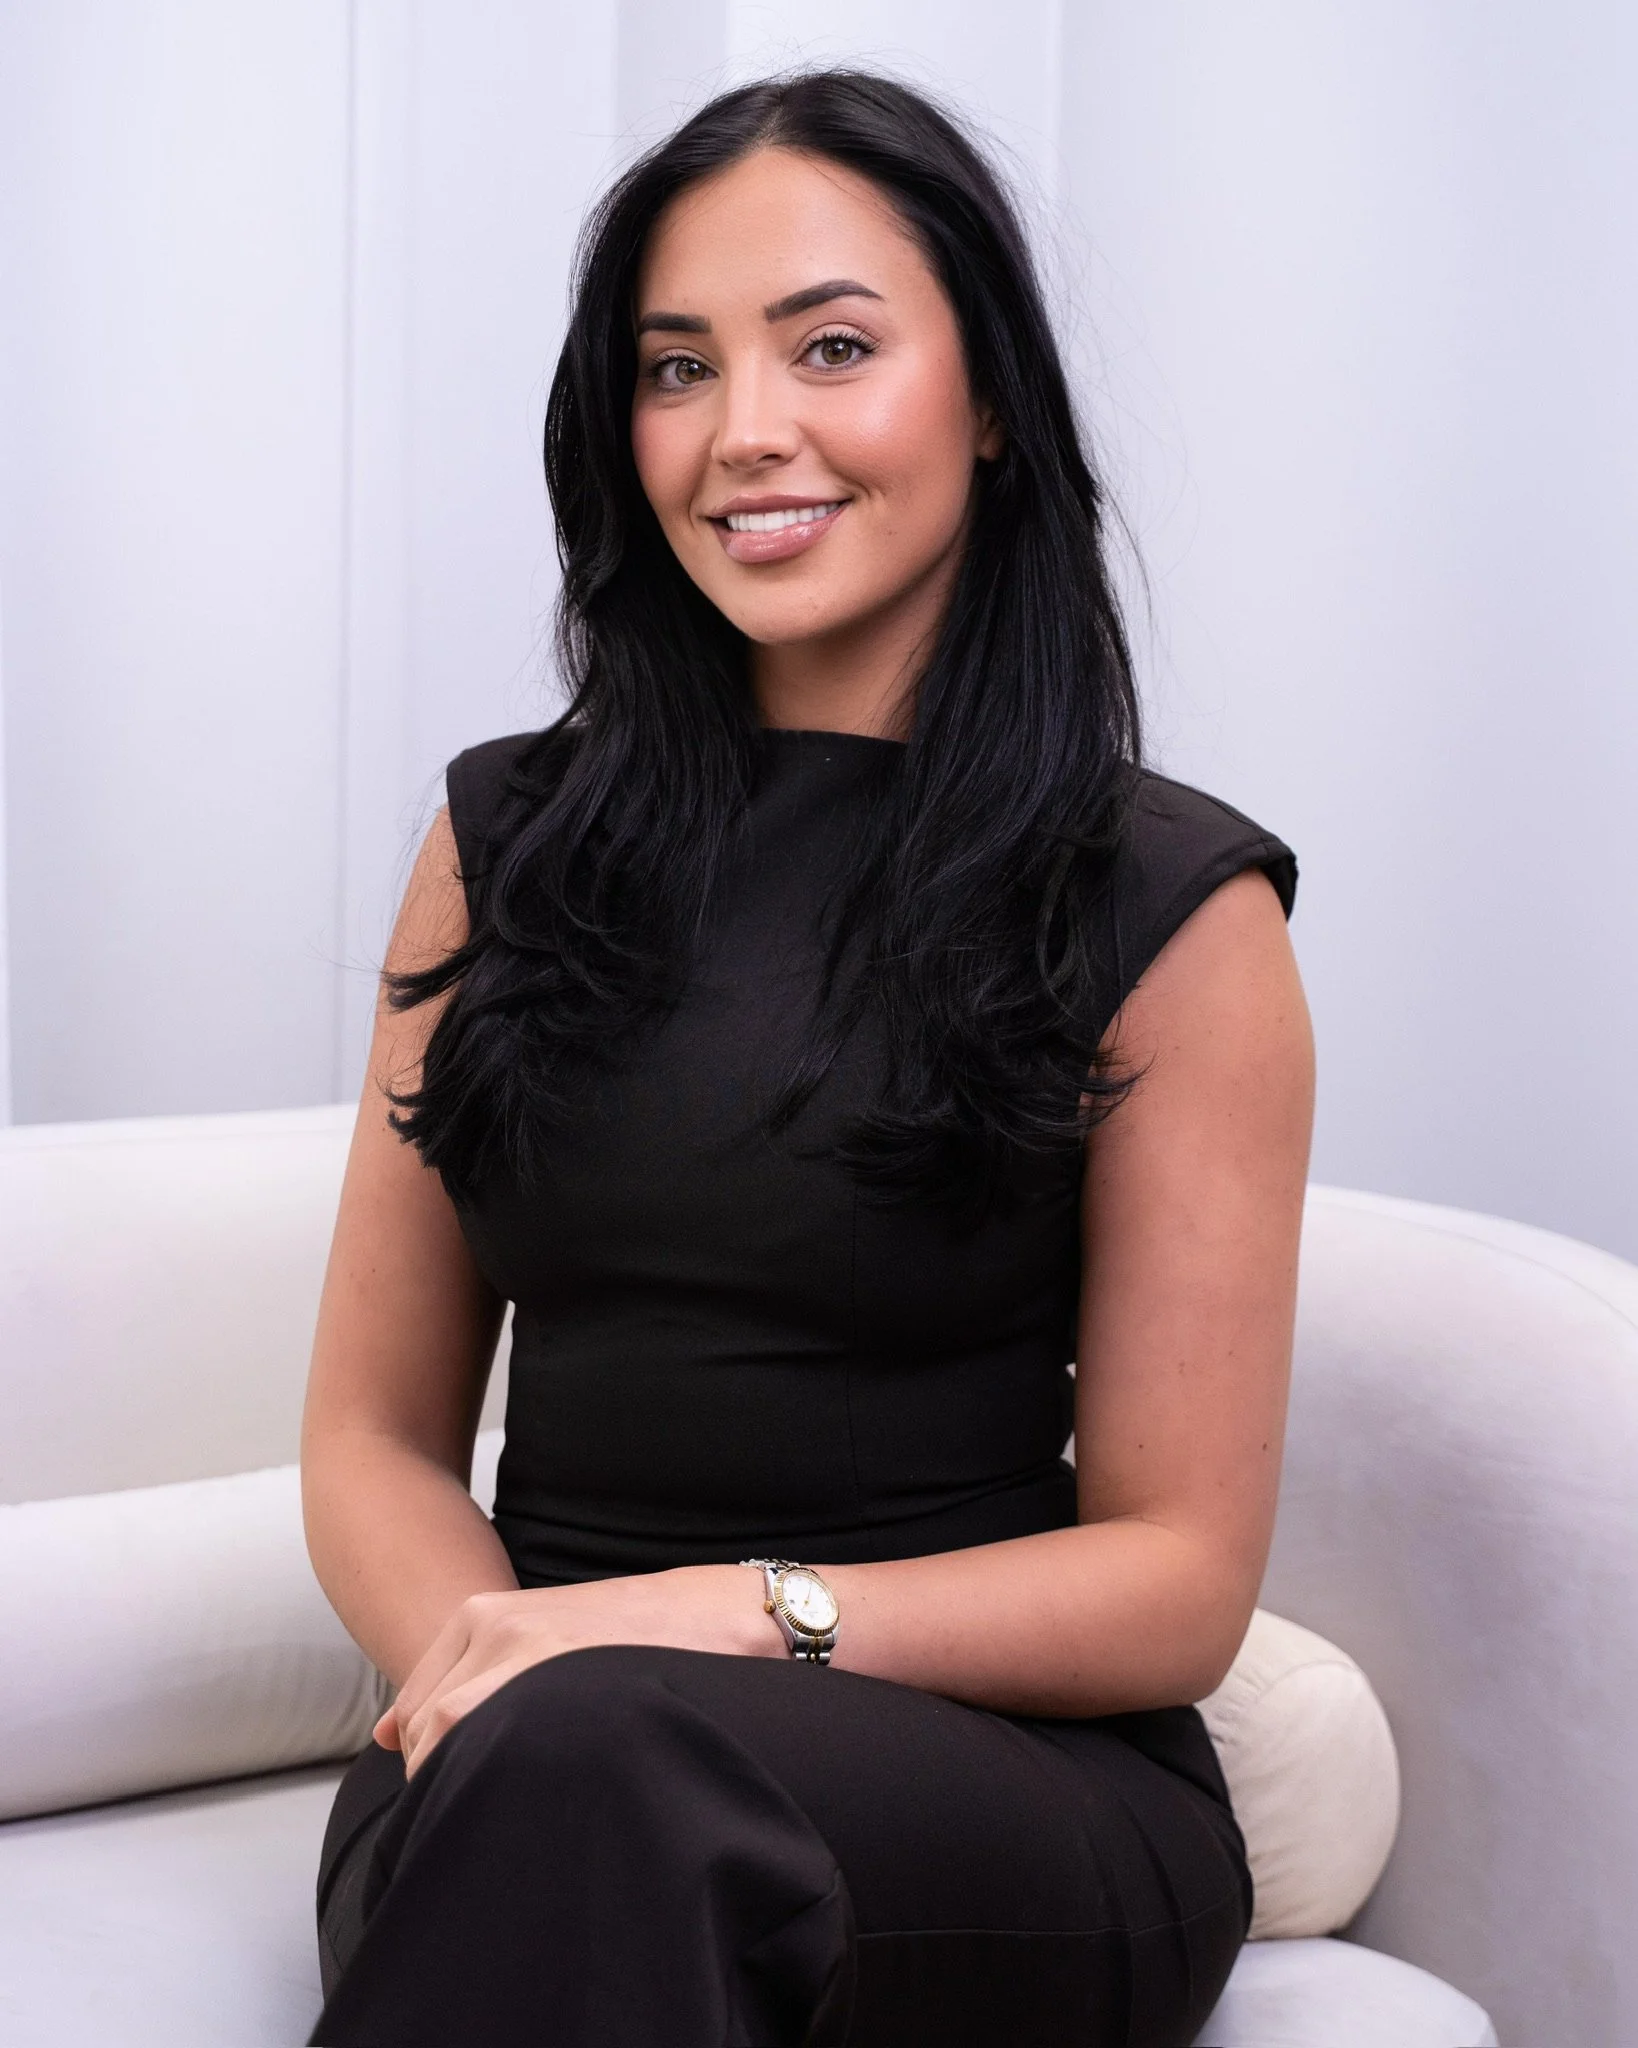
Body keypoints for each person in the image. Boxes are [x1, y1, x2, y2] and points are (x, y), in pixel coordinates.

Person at [299, 67, 1314, 2048]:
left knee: (617, 1779)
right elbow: (371, 1438)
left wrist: (736, 1617)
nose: (743, 431)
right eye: (676, 367)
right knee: (592, 1790)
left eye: (831, 347)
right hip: (527, 1756)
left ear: (991, 400)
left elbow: (1181, 1578)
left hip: (987, 1788)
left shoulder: (1173, 906)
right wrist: (497, 1669)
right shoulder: (504, 843)